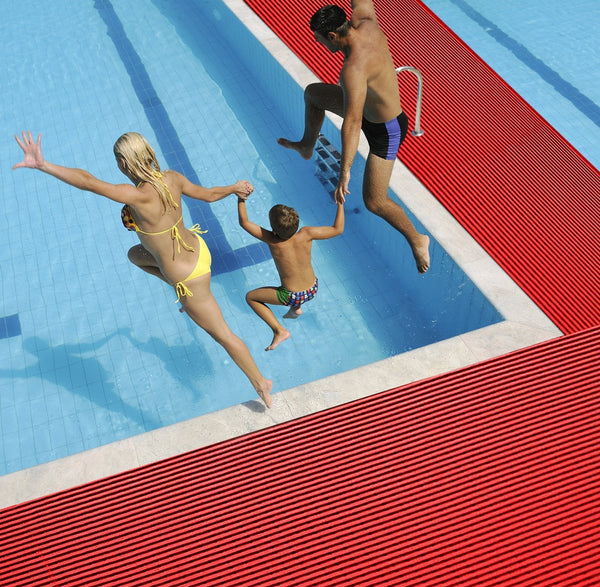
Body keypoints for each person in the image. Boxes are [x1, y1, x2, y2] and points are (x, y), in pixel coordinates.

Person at [13, 131, 273, 407]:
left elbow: (88, 182)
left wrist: (43, 164)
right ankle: (184, 295)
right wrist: (234, 188)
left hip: (189, 276)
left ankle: (260, 382)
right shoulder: (172, 178)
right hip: (198, 249)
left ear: (123, 163)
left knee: (223, 335)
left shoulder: (136, 195)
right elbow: (208, 195)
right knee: (135, 255)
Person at [277, 1, 430, 273]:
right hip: (368, 112)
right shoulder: (366, 21)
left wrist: (344, 172)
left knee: (375, 201)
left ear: (332, 36)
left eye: (319, 39)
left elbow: (352, 122)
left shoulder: (353, 69)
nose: (318, 43)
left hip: (387, 130)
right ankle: (307, 146)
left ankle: (417, 239)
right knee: (313, 94)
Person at [237, 195, 344, 351]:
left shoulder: (272, 240)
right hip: (312, 288)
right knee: (296, 286)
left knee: (251, 297)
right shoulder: (307, 233)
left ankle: (279, 331)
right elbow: (338, 229)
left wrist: (241, 198)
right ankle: (296, 309)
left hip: (291, 295)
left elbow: (244, 222)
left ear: (274, 231)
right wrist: (340, 203)